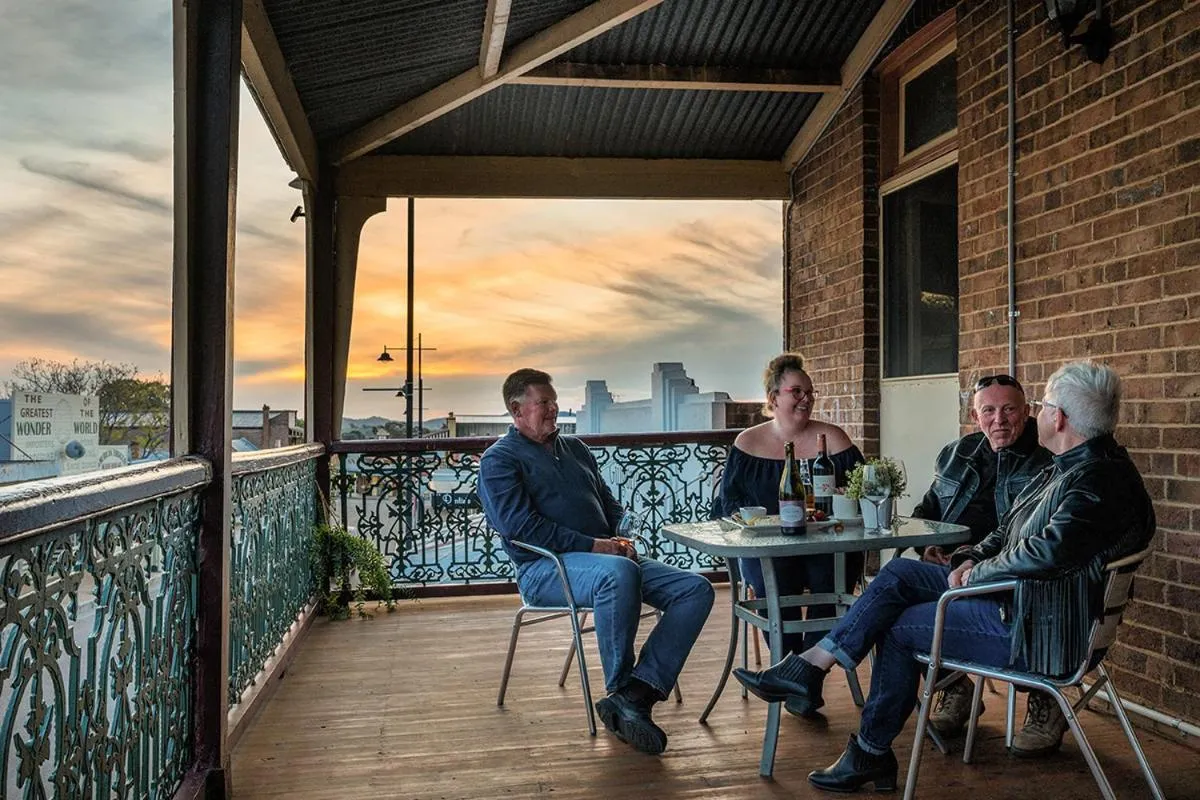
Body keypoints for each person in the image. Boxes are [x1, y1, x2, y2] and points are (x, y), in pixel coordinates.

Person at [732, 360, 1155, 791]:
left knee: (896, 627)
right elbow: (1008, 530)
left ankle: (870, 752)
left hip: (1036, 628)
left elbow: (1044, 552)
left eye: (1042, 405)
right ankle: (811, 666)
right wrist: (967, 559)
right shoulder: (1070, 466)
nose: (1036, 415)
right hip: (1020, 600)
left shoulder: (1096, 482)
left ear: (1058, 417)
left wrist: (977, 575)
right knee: (899, 574)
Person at [478, 368, 715, 756]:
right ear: (516, 410)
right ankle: (620, 688)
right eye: (544, 403)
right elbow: (521, 528)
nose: (554, 409)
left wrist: (622, 530)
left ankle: (639, 693)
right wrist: (596, 546)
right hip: (545, 570)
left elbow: (608, 502)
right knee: (618, 574)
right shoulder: (499, 461)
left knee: (695, 589)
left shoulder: (575, 449)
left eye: (554, 401)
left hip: (605, 560)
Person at [712, 353, 864, 714]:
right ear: (773, 399)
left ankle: (804, 673)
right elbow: (725, 508)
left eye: (810, 392)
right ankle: (793, 669)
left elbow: (863, 490)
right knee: (772, 586)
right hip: (768, 550)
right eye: (797, 391)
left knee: (832, 581)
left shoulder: (834, 439)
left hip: (828, 544)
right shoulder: (747, 444)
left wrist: (848, 497)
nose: (806, 398)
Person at [909, 374, 1052, 739]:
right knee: (901, 589)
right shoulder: (956, 453)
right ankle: (954, 688)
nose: (998, 420)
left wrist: (973, 557)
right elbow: (925, 512)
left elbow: (1035, 538)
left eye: (1009, 410)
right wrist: (928, 546)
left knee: (1026, 597)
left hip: (1003, 570)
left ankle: (1043, 699)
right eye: (988, 411)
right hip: (950, 568)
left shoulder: (1046, 458)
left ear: (1028, 411)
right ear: (975, 416)